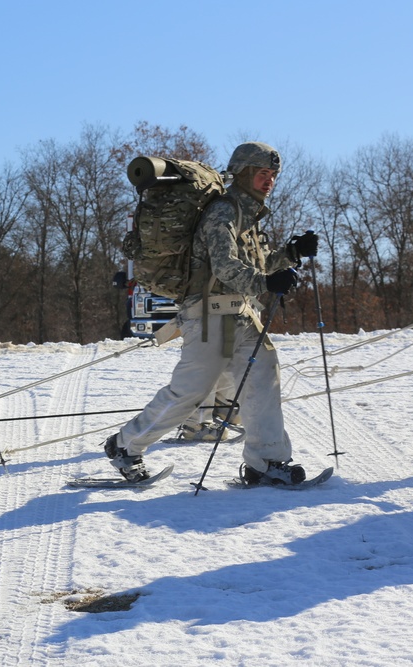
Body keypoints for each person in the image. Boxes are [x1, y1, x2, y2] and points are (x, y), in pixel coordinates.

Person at [102, 141, 318, 485]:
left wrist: (291, 253)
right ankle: (124, 446)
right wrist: (266, 280)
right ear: (245, 173)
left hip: (240, 313)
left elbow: (257, 263)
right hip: (208, 315)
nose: (270, 181)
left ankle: (267, 462)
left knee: (263, 377)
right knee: (191, 392)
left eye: (273, 175)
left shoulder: (248, 215)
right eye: (263, 174)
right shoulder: (223, 210)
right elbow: (226, 266)